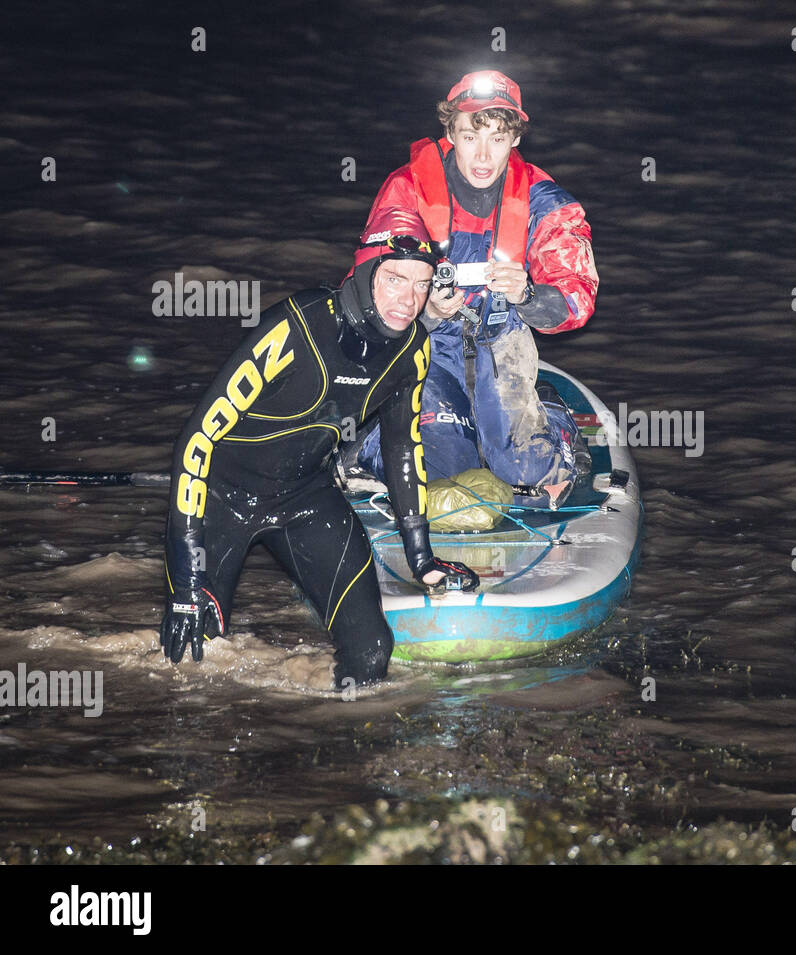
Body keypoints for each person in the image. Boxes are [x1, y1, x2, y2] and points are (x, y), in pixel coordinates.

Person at [159, 234, 479, 690]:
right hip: (219, 499)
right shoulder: (298, 324)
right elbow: (196, 441)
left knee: (371, 657)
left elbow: (403, 448)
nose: (409, 300)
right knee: (193, 665)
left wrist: (422, 557)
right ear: (367, 275)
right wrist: (190, 584)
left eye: (423, 285)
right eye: (395, 280)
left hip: (304, 496)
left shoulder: (413, 349)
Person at [347, 70, 598, 505]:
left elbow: (578, 296)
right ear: (449, 131)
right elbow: (366, 294)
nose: (483, 155)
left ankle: (552, 417)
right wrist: (424, 310)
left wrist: (528, 295)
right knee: (441, 473)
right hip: (426, 345)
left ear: (516, 139)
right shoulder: (406, 191)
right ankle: (371, 441)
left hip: (504, 344)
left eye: (498, 139)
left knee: (526, 476)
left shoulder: (547, 202)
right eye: (470, 137)